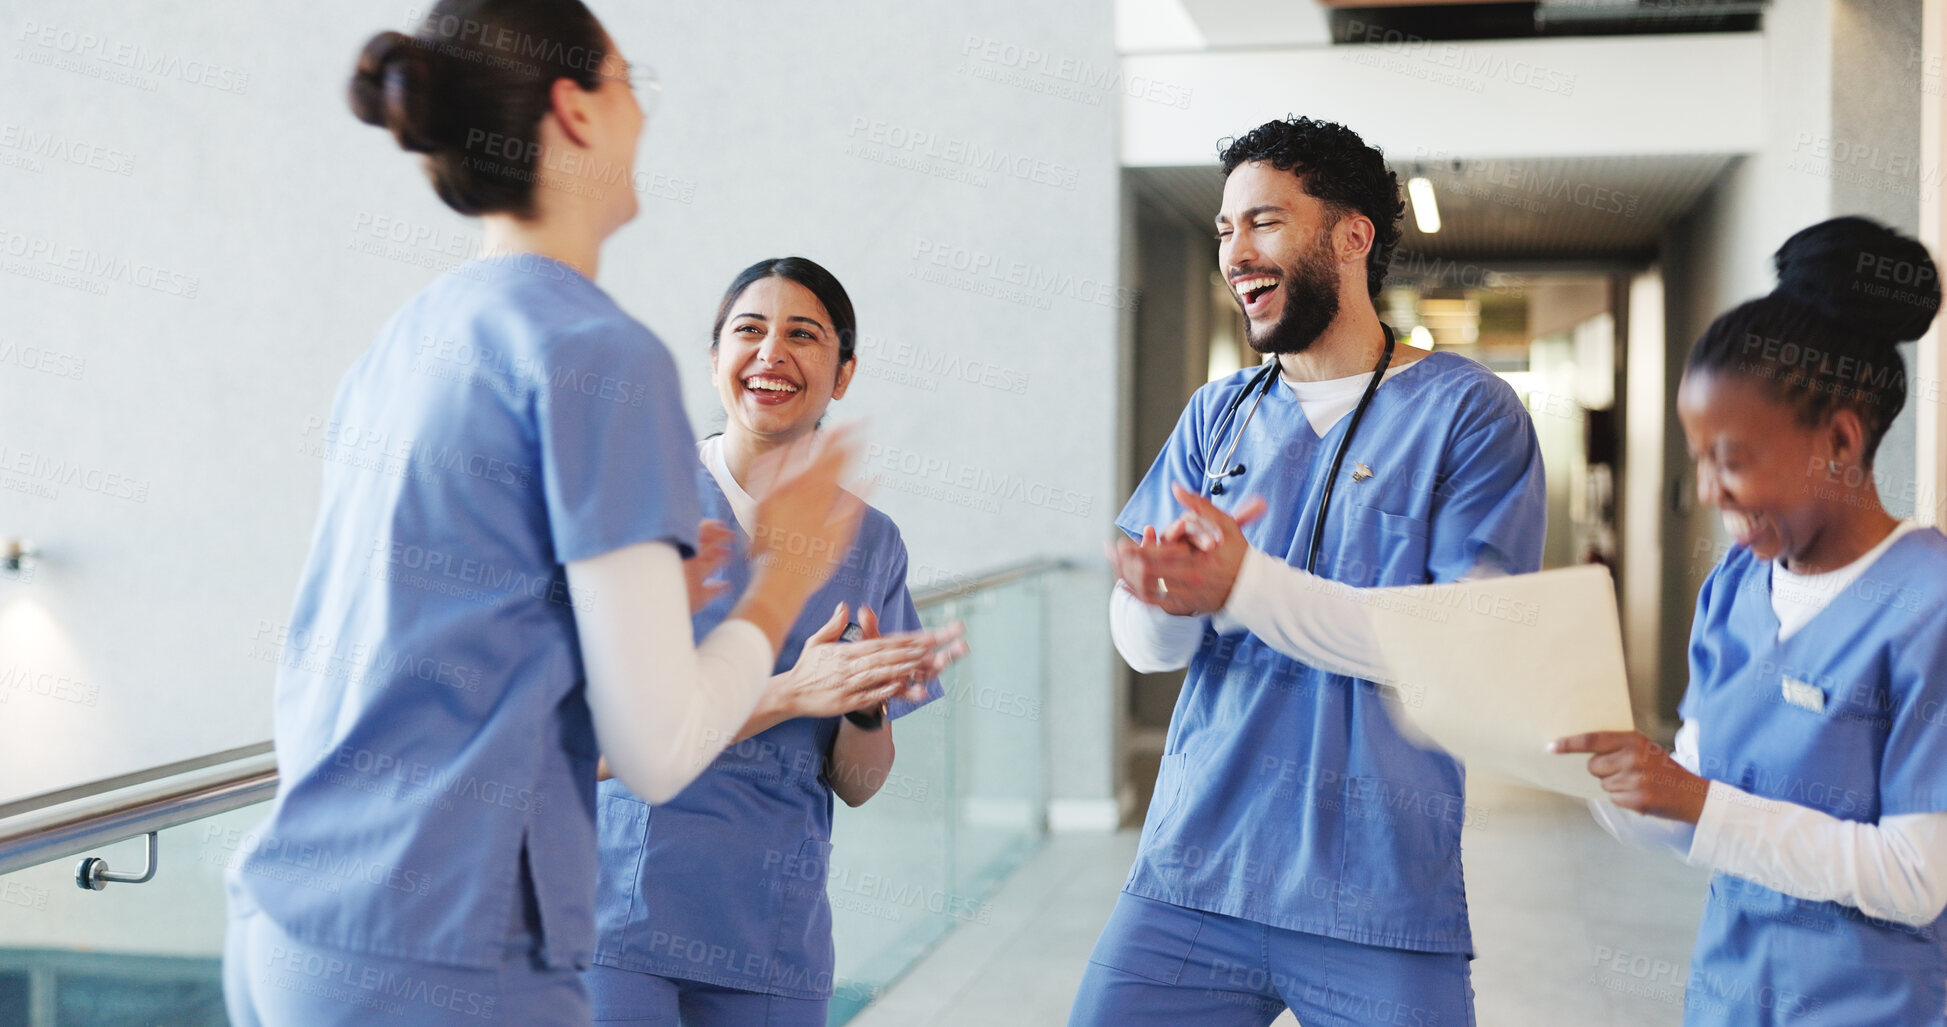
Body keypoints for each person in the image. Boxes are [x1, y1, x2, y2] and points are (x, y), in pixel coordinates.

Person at [221, 5, 864, 1024]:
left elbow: (423, 613)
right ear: (574, 111)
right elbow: (655, 748)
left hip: (294, 929)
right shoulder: (599, 353)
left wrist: (610, 604)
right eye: (626, 80)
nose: (641, 114)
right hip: (449, 950)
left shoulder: (410, 334)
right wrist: (782, 575)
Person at [1070, 115, 1546, 1026]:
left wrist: (1243, 587)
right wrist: (1159, 597)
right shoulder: (1219, 415)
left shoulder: (1468, 414)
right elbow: (1146, 650)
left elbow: (1463, 652)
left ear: (1351, 235)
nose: (1235, 252)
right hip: (1194, 873)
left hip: (1377, 892)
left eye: (1263, 222)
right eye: (1223, 230)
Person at [1554, 216, 1947, 1025]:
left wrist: (1697, 802)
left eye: (1731, 459)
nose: (1707, 491)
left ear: (1838, 441)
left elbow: (1916, 876)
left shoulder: (1928, 606)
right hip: (1731, 997)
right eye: (1698, 458)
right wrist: (1613, 783)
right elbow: (1701, 790)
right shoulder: (1735, 585)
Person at [584, 257, 968, 1025]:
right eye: (748, 330)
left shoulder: (869, 542)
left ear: (843, 372)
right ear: (715, 357)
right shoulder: (629, 506)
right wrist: (793, 690)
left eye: (803, 334)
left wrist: (862, 709)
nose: (770, 352)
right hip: (615, 924)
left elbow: (858, 783)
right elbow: (580, 745)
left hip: (772, 936)